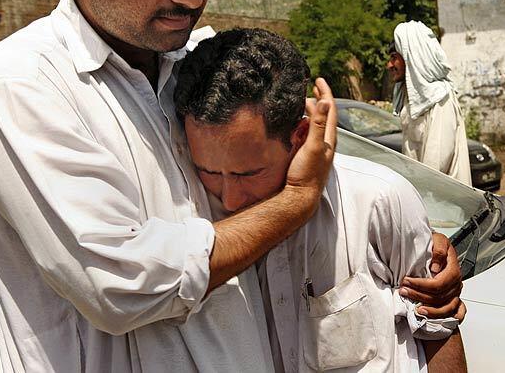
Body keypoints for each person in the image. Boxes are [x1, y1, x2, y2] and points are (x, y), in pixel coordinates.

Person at [0, 0, 461, 371]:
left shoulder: (196, 56)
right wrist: (295, 202)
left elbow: (285, 159)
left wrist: (404, 232)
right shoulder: (19, 83)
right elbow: (118, 284)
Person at [175, 28, 467, 373]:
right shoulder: (191, 219)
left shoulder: (378, 200)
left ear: (299, 137)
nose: (230, 198)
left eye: (247, 174)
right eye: (208, 171)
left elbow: (437, 329)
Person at [387, 21, 472, 186]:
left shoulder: (440, 99)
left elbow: (434, 169)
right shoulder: (413, 97)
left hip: (444, 202)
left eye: (394, 58)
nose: (389, 65)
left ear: (412, 57)